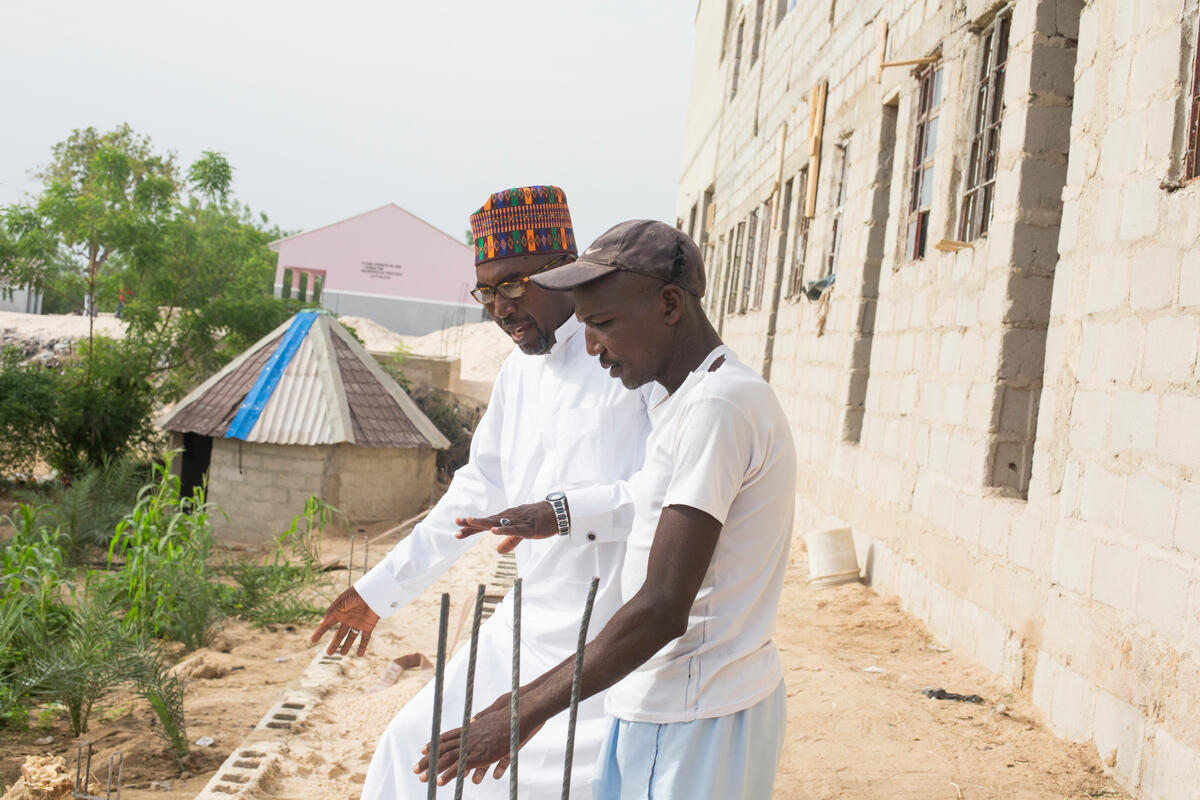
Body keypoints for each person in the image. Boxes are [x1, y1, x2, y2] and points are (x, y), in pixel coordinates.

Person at [417, 220, 798, 799]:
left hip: (688, 714)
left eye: (603, 324)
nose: (591, 348)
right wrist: (558, 513)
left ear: (670, 304)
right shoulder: (692, 399)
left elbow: (662, 607)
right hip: (681, 701)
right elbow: (642, 505)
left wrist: (521, 710)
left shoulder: (718, 408)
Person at [310, 186, 654, 799]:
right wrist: (380, 589)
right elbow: (475, 489)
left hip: (612, 637)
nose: (498, 308)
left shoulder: (629, 360)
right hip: (528, 623)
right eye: (486, 291)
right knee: (405, 754)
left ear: (562, 271)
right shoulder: (519, 371)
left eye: (513, 285)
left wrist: (563, 514)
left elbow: (665, 494)